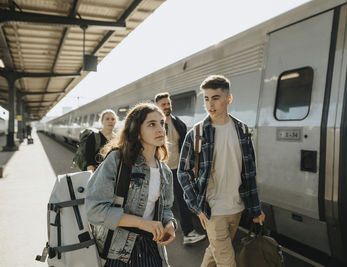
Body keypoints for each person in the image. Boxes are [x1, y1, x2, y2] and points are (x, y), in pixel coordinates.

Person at [177, 75, 265, 267]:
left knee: (214, 252)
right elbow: (183, 171)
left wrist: (256, 208)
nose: (210, 104)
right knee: (227, 261)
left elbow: (250, 173)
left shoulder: (242, 130)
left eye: (215, 98)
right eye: (206, 99)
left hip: (237, 207)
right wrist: (197, 206)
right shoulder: (197, 133)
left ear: (228, 99)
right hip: (212, 209)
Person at [85, 103, 177, 267]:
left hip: (151, 250)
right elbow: (95, 210)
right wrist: (142, 223)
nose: (160, 129)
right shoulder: (117, 160)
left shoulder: (165, 171)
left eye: (162, 123)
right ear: (137, 131)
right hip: (118, 253)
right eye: (152, 124)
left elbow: (166, 208)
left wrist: (170, 224)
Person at [155, 92, 206, 245]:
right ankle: (161, 231)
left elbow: (186, 147)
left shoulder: (179, 123)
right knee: (159, 201)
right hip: (160, 169)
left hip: (177, 170)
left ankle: (188, 233)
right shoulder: (155, 124)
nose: (167, 106)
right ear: (157, 106)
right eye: (163, 104)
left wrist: (190, 166)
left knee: (182, 200)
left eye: (168, 103)